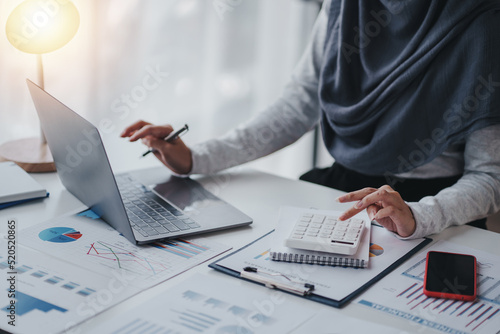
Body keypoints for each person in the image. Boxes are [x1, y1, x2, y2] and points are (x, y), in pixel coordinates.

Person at [121, 0, 500, 239]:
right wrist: (197, 158)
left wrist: (419, 217)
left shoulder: (485, 24)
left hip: (434, 206)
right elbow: (298, 105)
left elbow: (490, 176)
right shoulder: (346, 7)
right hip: (346, 193)